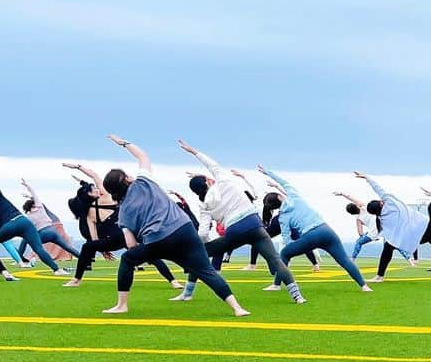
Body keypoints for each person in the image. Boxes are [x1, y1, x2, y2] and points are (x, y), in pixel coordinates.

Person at [99, 135, 249, 316]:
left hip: (158, 241)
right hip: (184, 230)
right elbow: (142, 156)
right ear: (127, 180)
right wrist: (123, 143)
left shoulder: (123, 211)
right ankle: (237, 308)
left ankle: (122, 305)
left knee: (127, 259)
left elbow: (130, 244)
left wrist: (147, 249)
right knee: (206, 271)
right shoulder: (144, 182)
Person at [173, 141, 306, 304]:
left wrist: (203, 246)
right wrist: (193, 152)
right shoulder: (222, 181)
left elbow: (202, 233)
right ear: (208, 182)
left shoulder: (204, 204)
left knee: (198, 255)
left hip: (234, 231)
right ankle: (297, 296)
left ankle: (187, 293)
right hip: (254, 225)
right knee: (275, 260)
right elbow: (211, 164)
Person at [62, 164, 180, 288]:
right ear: (90, 194)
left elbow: (94, 239)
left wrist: (103, 250)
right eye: (94, 189)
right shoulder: (105, 197)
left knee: (87, 247)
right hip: (125, 236)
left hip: (117, 240)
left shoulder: (89, 212)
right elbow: (94, 175)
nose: (97, 188)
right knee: (150, 255)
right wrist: (78, 167)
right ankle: (173, 281)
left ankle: (76, 280)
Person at [257, 167, 370, 292]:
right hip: (327, 231)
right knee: (344, 260)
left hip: (310, 236)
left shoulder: (283, 217)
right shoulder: (294, 196)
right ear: (279, 196)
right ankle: (364, 286)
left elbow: (286, 238)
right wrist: (267, 172)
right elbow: (283, 182)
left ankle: (276, 285)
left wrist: (294, 247)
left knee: (284, 253)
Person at [353, 173, 431, 285]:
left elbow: (391, 235)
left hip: (420, 233)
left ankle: (379, 276)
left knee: (387, 248)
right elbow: (378, 188)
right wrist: (367, 178)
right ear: (380, 203)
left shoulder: (381, 219)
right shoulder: (389, 202)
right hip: (427, 228)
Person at [233, 169, 320, 271]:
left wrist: (243, 176)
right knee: (301, 241)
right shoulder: (286, 202)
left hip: (280, 221)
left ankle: (253, 265)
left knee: (257, 239)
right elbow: (286, 192)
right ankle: (315, 264)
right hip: (286, 222)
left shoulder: (262, 203)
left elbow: (255, 188)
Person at [0, 179, 69, 275]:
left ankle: (4, 272)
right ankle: (57, 270)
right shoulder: (0, 198)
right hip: (24, 222)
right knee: (38, 248)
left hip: (10, 225)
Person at [18, 179, 82, 264]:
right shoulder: (40, 208)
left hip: (43, 234)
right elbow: (35, 194)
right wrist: (27, 186)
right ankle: (84, 259)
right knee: (67, 247)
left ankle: (19, 257)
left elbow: (29, 229)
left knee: (27, 241)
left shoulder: (29, 217)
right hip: (53, 231)